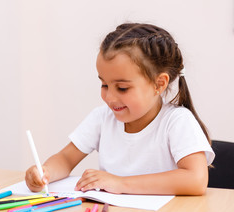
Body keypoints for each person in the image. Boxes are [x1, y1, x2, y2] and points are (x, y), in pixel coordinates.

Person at [25, 23, 215, 195]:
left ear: (159, 83)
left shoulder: (177, 121)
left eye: (122, 88)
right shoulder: (102, 118)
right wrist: (46, 172)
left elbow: (196, 180)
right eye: (104, 85)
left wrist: (121, 183)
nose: (109, 97)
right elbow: (66, 159)